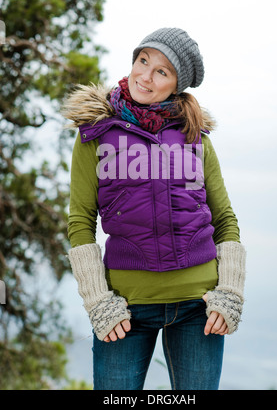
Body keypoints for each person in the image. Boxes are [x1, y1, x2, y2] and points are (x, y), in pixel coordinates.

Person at [62, 27, 246, 391]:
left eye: (161, 71)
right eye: (143, 61)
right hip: (124, 310)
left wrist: (230, 294)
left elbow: (225, 219)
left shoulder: (196, 139)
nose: (144, 76)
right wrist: (98, 302)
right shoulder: (95, 135)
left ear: (177, 85)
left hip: (200, 308)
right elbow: (80, 221)